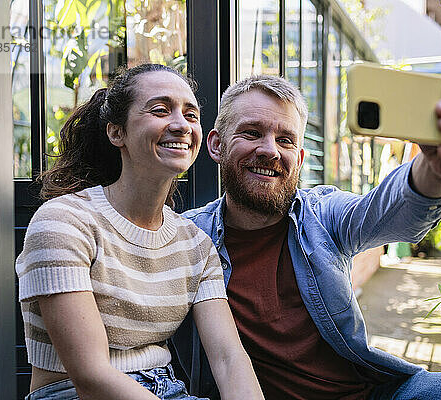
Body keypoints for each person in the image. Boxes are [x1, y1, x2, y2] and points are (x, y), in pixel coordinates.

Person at [171, 74, 441, 400]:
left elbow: (387, 212)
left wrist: (437, 169)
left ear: (302, 159)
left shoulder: (323, 214)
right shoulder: (187, 237)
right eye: (252, 133)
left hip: (373, 394)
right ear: (217, 145)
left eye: (286, 140)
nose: (270, 151)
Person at [15, 64, 264, 400]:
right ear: (117, 133)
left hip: (168, 389)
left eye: (191, 115)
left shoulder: (196, 245)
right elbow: (92, 376)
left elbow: (229, 358)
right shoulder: (64, 222)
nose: (180, 125)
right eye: (160, 110)